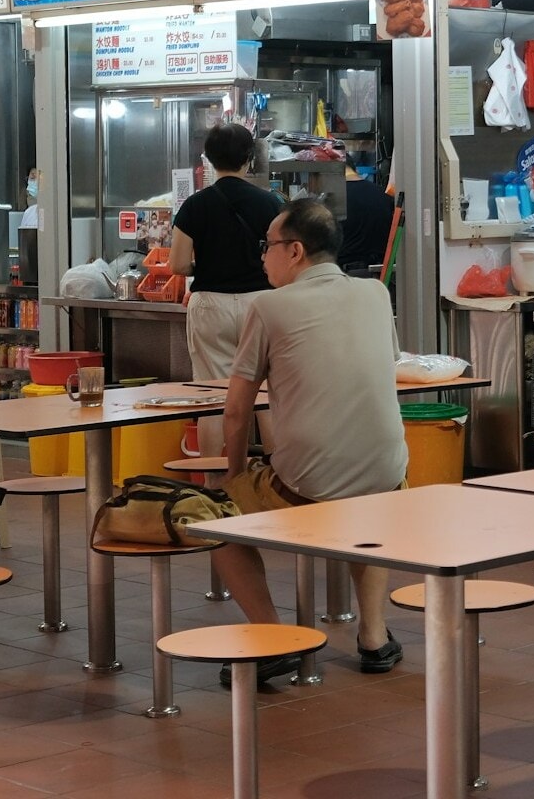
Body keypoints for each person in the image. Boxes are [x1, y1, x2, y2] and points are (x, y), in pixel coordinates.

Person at [213, 198, 408, 685]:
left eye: (269, 246)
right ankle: (374, 637)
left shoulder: (269, 306)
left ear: (295, 251)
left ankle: (274, 638)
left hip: (308, 484)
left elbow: (237, 409)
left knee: (214, 518)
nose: (263, 256)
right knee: (367, 502)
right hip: (391, 475)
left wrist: (233, 476)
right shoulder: (375, 294)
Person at [170, 124, 282, 454]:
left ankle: (215, 484)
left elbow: (177, 265)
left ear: (209, 159)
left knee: (211, 398)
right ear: (249, 158)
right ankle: (277, 479)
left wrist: (203, 265)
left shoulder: (194, 205)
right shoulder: (269, 204)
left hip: (210, 305)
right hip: (260, 304)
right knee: (264, 395)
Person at [336, 157, 394, 273]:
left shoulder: (332, 199)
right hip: (382, 274)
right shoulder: (385, 196)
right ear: (355, 169)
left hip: (345, 275)